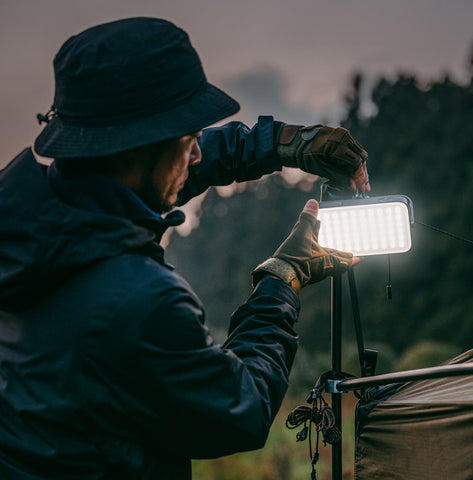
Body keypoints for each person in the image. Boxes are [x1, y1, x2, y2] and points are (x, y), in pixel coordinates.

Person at [0, 17, 368, 480]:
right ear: (139, 149)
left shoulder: (37, 229)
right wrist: (284, 277)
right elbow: (244, 406)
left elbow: (163, 173)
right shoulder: (139, 301)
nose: (196, 154)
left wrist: (283, 144)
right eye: (188, 139)